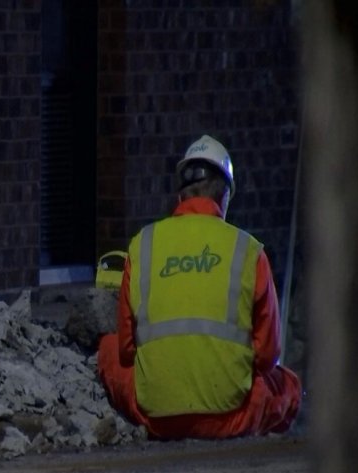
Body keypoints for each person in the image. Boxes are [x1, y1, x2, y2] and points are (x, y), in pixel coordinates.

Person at [97, 135, 301, 439]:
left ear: (180, 196)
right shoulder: (249, 251)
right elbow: (267, 356)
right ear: (225, 197)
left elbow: (127, 351)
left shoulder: (143, 245)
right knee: (287, 385)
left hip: (158, 417)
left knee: (108, 350)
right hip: (230, 417)